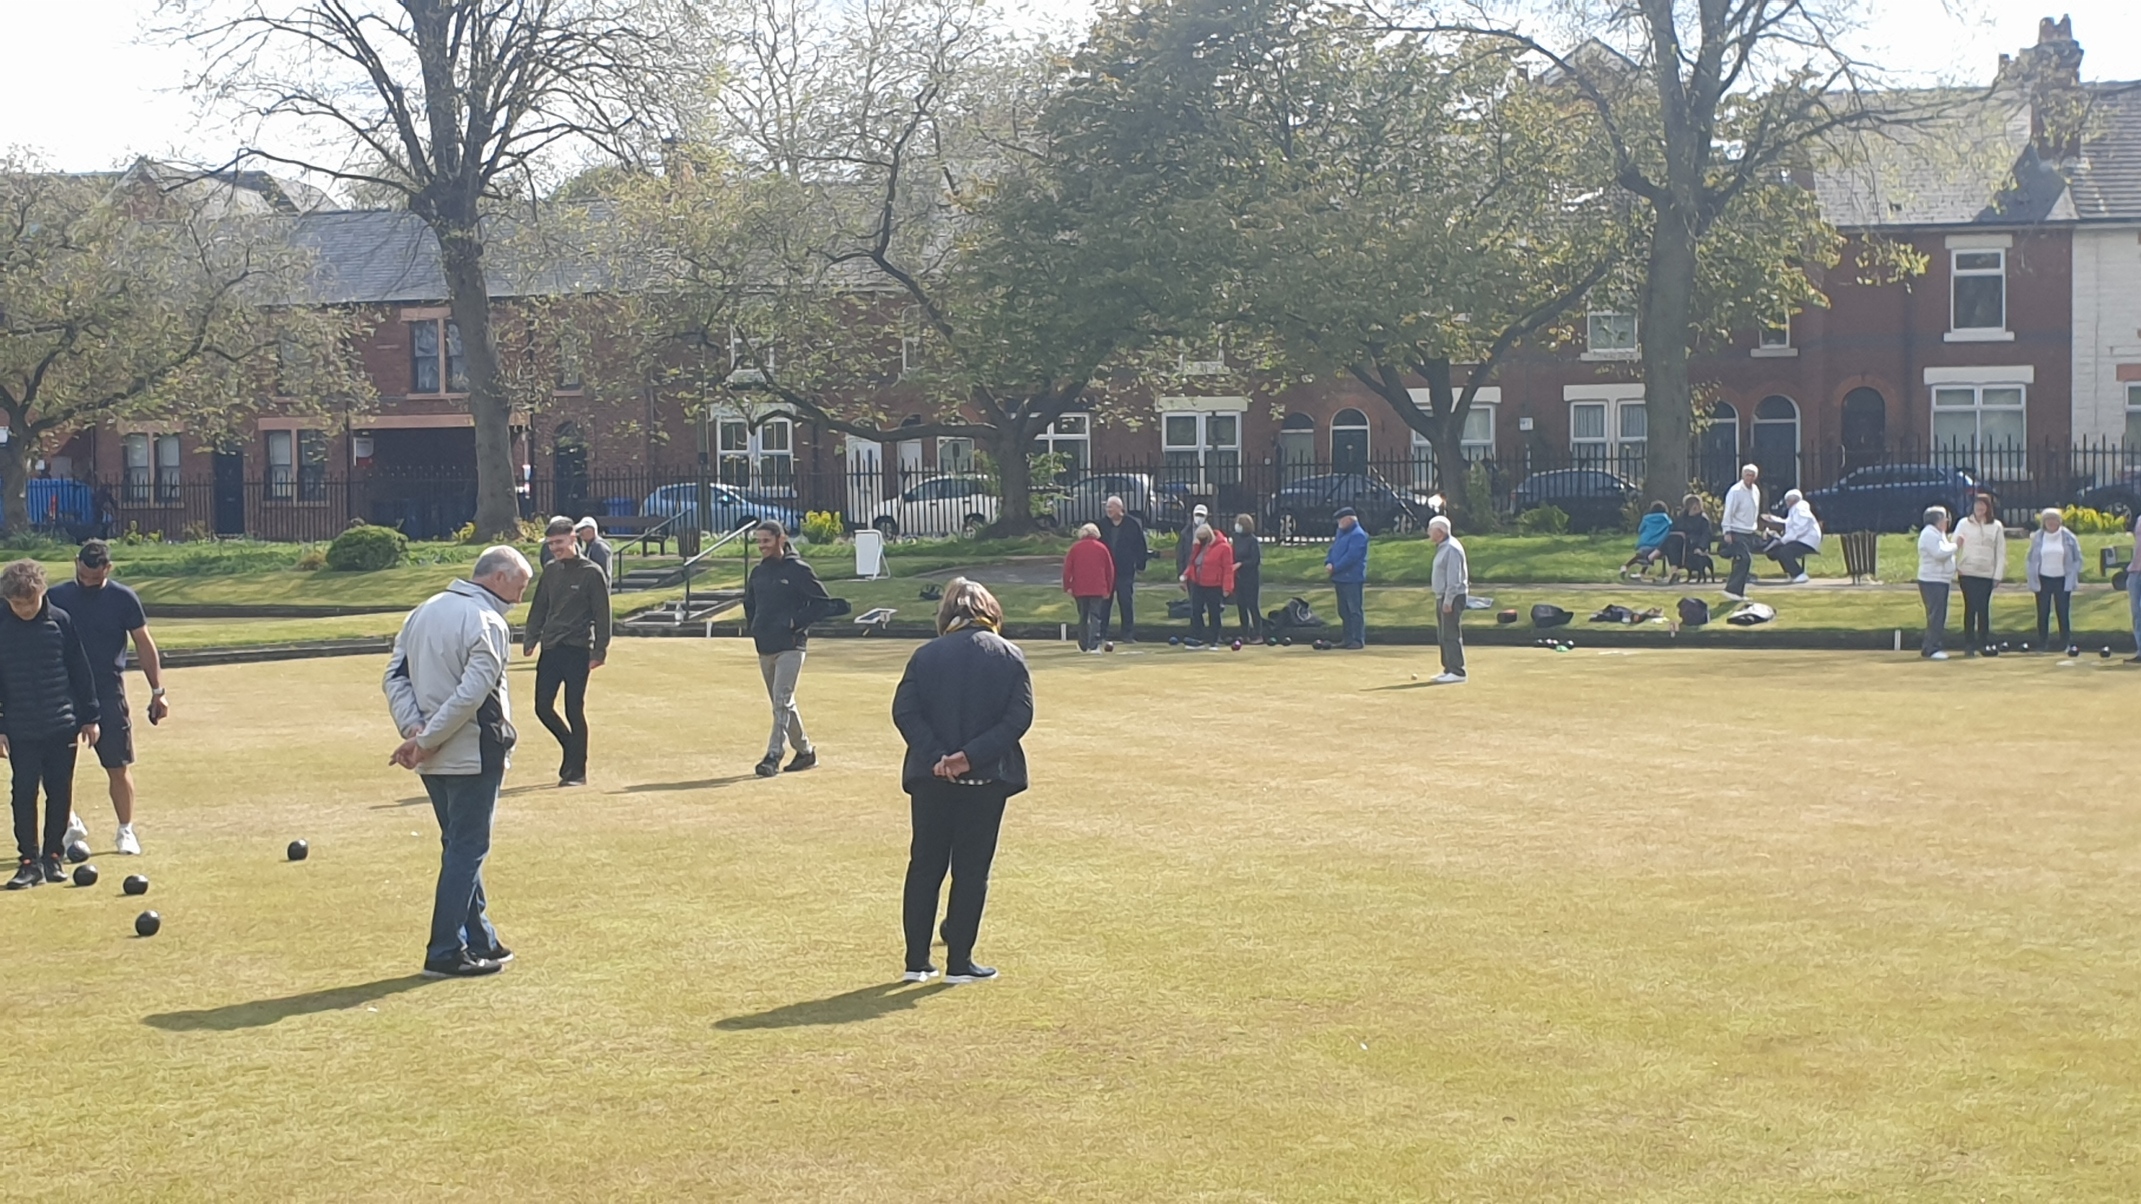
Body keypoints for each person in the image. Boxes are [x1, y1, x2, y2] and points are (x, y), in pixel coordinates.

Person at [384, 546, 531, 977]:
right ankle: (445, 950)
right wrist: (425, 738)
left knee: (459, 847)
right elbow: (474, 693)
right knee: (467, 849)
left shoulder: (422, 611)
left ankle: (480, 937)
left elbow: (394, 676)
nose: (521, 597)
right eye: (520, 586)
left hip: (434, 750)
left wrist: (413, 730)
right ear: (499, 578)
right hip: (472, 750)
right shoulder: (487, 621)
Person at [891, 578, 1033, 984]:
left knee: (925, 866)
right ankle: (959, 962)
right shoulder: (1009, 655)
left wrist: (938, 755)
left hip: (931, 777)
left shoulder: (926, 655)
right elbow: (1018, 718)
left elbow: (905, 711)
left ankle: (916, 961)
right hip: (986, 778)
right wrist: (970, 757)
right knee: (971, 869)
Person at [48, 540, 165, 857]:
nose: (87, 581)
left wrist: (157, 691)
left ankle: (125, 830)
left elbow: (143, 643)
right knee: (57, 766)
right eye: (83, 575)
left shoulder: (123, 598)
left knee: (117, 764)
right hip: (63, 689)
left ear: (108, 569)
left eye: (94, 577)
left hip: (107, 690)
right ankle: (70, 824)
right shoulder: (55, 598)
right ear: (76, 563)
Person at [0, 560, 101, 890]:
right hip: (20, 727)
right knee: (23, 793)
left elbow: (79, 671)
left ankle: (53, 857)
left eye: (30, 602)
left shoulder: (60, 621)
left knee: (60, 792)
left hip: (61, 724)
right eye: (17, 604)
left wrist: (90, 717)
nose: (25, 609)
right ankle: (29, 862)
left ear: (42, 593)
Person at [522, 517, 612, 787]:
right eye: (551, 544)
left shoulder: (591, 572)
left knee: (574, 708)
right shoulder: (551, 571)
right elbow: (539, 607)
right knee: (542, 707)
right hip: (551, 647)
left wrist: (600, 651)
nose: (554, 548)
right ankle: (571, 748)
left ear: (573, 538)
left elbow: (602, 614)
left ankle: (577, 771)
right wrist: (531, 637)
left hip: (577, 648)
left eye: (559, 542)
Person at [743, 519, 836, 778]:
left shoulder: (797, 570)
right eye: (759, 541)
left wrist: (795, 623)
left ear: (781, 539)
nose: (761, 546)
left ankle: (773, 756)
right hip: (765, 644)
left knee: (781, 700)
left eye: (766, 541)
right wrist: (755, 627)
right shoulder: (758, 573)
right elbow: (749, 603)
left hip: (791, 646)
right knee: (781, 703)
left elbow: (822, 603)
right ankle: (806, 752)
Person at [1952, 494, 2006, 657]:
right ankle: (1969, 644)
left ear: (1989, 508)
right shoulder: (1963, 523)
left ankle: (1983, 642)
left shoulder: (1996, 526)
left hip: (1986, 573)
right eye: (1977, 505)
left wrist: (1997, 575)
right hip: (1967, 572)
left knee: (1983, 608)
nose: (1980, 508)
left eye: (1983, 505)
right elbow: (1954, 546)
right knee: (1970, 607)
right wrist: (1956, 568)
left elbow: (2000, 552)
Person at [2026, 507, 2081, 653]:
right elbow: (2031, 558)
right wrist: (2032, 576)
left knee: (2062, 611)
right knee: (2043, 612)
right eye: (2048, 520)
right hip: (2043, 578)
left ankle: (2065, 642)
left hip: (2062, 579)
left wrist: (2073, 575)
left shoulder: (2069, 537)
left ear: (2060, 521)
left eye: (2054, 519)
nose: (2051, 522)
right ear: (2044, 522)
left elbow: (2077, 559)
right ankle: (2042, 643)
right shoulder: (2038, 537)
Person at [1097, 496, 1147, 643]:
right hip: (1106, 571)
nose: (1108, 510)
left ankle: (1127, 634)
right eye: (1107, 508)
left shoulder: (1132, 524)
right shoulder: (1102, 525)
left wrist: (1140, 564)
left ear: (1120, 508)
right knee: (1104, 603)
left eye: (1111, 508)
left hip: (1125, 570)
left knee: (1125, 601)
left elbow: (1140, 546)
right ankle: (1101, 633)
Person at [1061, 523, 1116, 653]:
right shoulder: (1102, 548)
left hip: (1079, 587)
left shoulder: (1075, 548)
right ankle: (1094, 645)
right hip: (1098, 587)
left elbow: (1067, 569)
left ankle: (1083, 644)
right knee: (1095, 616)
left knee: (1083, 616)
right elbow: (1110, 570)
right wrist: (1108, 588)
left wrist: (1067, 586)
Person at [1179, 523, 1236, 647]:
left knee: (1214, 612)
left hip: (1214, 585)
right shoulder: (1199, 546)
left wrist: (1227, 587)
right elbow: (1193, 563)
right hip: (1198, 583)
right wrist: (1185, 576)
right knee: (1196, 610)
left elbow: (1228, 569)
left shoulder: (1224, 548)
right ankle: (1197, 636)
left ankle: (1214, 638)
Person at [1428, 516, 1468, 684]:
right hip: (1442, 595)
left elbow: (1454, 578)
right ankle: (1448, 669)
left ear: (1440, 532)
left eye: (1431, 530)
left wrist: (1448, 600)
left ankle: (1458, 671)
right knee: (1443, 634)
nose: (1428, 533)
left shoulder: (1451, 548)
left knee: (1450, 634)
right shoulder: (1442, 547)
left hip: (1451, 596)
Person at [1325, 507, 1370, 649]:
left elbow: (1352, 556)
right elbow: (1333, 550)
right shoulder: (1341, 533)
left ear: (1350, 519)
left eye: (1341, 520)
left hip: (1352, 577)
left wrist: (1335, 567)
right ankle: (1347, 638)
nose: (1339, 523)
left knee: (1354, 610)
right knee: (1343, 610)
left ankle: (1357, 639)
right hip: (1339, 577)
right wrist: (1328, 562)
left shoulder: (1358, 535)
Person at [1916, 506, 1956, 661]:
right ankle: (1932, 648)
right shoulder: (1929, 534)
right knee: (1936, 615)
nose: (1947, 521)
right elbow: (1939, 554)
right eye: (1945, 518)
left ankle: (1932, 646)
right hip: (1932, 580)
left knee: (1939, 614)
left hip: (1940, 579)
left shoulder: (1938, 534)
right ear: (1937, 520)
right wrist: (1956, 545)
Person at [1721, 464, 1762, 600]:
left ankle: (1737, 592)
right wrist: (1727, 531)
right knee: (1745, 559)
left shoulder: (1755, 490)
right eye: (1747, 474)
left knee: (1740, 561)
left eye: (1752, 475)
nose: (1749, 477)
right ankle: (1732, 589)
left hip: (1749, 531)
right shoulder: (1735, 491)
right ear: (1742, 475)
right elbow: (1729, 512)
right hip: (1736, 530)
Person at [1765, 489, 1823, 583]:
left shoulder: (1800, 509)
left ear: (1791, 500)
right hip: (1802, 540)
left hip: (1807, 541)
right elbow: (1789, 522)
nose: (1786, 503)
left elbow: (1799, 527)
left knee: (1784, 551)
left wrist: (1784, 540)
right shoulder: (1795, 509)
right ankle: (1792, 573)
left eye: (1787, 501)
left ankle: (1799, 574)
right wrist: (1773, 519)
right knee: (1777, 551)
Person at [1664, 493, 1713, 584]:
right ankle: (1674, 571)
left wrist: (1701, 547)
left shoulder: (1703, 519)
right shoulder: (1682, 517)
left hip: (1694, 543)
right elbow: (1675, 529)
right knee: (1671, 541)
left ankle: (1672, 569)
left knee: (1670, 543)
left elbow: (1706, 534)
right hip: (1681, 542)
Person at [1621, 501, 1674, 579]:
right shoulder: (1667, 520)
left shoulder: (1646, 518)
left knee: (1640, 556)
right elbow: (1671, 529)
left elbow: (1640, 530)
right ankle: (1642, 573)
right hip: (1659, 546)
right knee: (1650, 558)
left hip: (1645, 544)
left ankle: (1626, 567)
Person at [1231, 513, 1262, 638]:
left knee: (1252, 605)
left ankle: (1258, 632)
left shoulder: (1252, 540)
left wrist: (1241, 564)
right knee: (1241, 605)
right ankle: (1244, 632)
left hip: (1250, 578)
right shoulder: (1236, 538)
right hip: (1239, 578)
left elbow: (1255, 560)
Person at [1176, 503, 1209, 579]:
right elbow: (1181, 554)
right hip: (1190, 571)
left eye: (1201, 515)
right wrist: (1181, 572)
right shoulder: (1185, 533)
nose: (1199, 518)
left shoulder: (1212, 532)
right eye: (1197, 514)